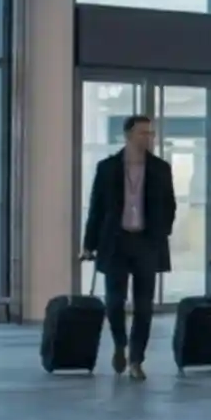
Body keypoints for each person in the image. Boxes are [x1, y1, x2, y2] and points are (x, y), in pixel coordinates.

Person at [80, 114, 176, 380]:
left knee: (144, 305)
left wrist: (161, 233)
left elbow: (170, 205)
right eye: (143, 133)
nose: (148, 138)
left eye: (151, 134)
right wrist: (88, 245)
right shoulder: (107, 167)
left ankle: (136, 359)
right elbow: (96, 208)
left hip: (146, 242)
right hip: (115, 241)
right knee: (114, 301)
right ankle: (120, 343)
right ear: (127, 135)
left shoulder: (160, 168)